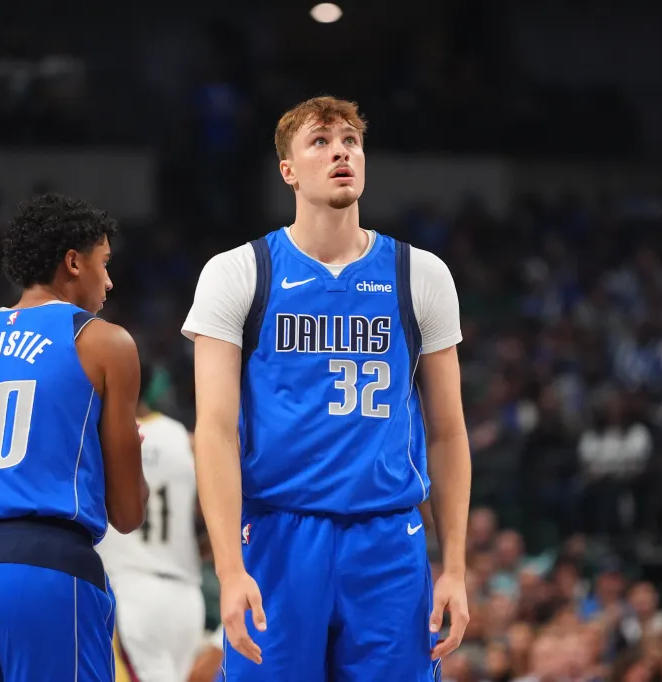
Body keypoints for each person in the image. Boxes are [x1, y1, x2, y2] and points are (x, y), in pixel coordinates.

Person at [182, 95, 472, 681]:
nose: (341, 152)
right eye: (320, 141)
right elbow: (213, 432)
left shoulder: (421, 274)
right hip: (278, 532)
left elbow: (448, 431)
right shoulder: (238, 271)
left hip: (388, 538)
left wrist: (456, 567)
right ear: (287, 170)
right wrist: (230, 570)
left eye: (350, 142)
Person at [0, 193, 149, 681]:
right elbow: (128, 513)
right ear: (74, 262)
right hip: (43, 567)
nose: (109, 280)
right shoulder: (103, 342)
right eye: (104, 262)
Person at [99, 364, 205, 682]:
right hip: (186, 595)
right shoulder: (185, 438)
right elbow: (210, 514)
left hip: (131, 590)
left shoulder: (102, 434)